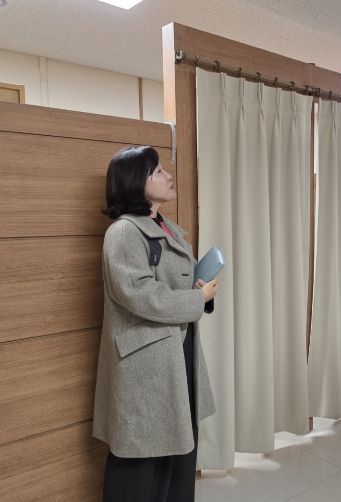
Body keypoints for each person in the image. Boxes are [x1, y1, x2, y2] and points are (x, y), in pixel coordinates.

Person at [92, 146, 219, 502]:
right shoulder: (123, 232)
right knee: (139, 459)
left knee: (176, 455)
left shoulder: (168, 228)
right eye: (158, 171)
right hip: (145, 364)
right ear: (136, 181)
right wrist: (198, 299)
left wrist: (200, 290)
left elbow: (171, 286)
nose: (168, 175)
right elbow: (139, 294)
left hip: (176, 354)